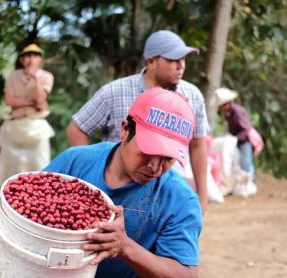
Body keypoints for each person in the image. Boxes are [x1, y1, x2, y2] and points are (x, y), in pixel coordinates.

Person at [0, 87, 202, 278]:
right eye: (148, 151)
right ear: (125, 129)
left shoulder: (181, 201)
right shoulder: (75, 161)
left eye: (168, 159)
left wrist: (124, 246)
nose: (155, 167)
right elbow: (14, 217)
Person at [66, 29, 210, 212]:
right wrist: (91, 174)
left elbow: (198, 145)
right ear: (150, 61)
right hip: (115, 194)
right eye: (173, 60)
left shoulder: (192, 96)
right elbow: (76, 128)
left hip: (163, 197)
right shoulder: (115, 92)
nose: (180, 65)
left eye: (183, 60)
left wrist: (202, 198)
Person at [0, 43, 55, 192]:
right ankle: (5, 191)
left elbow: (40, 99)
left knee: (39, 163)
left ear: (40, 60)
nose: (31, 59)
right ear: (22, 59)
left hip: (36, 126)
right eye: (27, 55)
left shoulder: (46, 76)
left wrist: (35, 78)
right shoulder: (13, 75)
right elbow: (10, 101)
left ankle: (37, 193)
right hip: (15, 125)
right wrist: (32, 103)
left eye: (35, 56)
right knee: (8, 164)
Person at [215, 87, 256, 179]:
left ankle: (249, 182)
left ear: (225, 104)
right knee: (239, 162)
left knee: (246, 162)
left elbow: (246, 129)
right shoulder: (229, 113)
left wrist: (236, 138)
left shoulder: (238, 112)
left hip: (244, 140)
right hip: (237, 140)